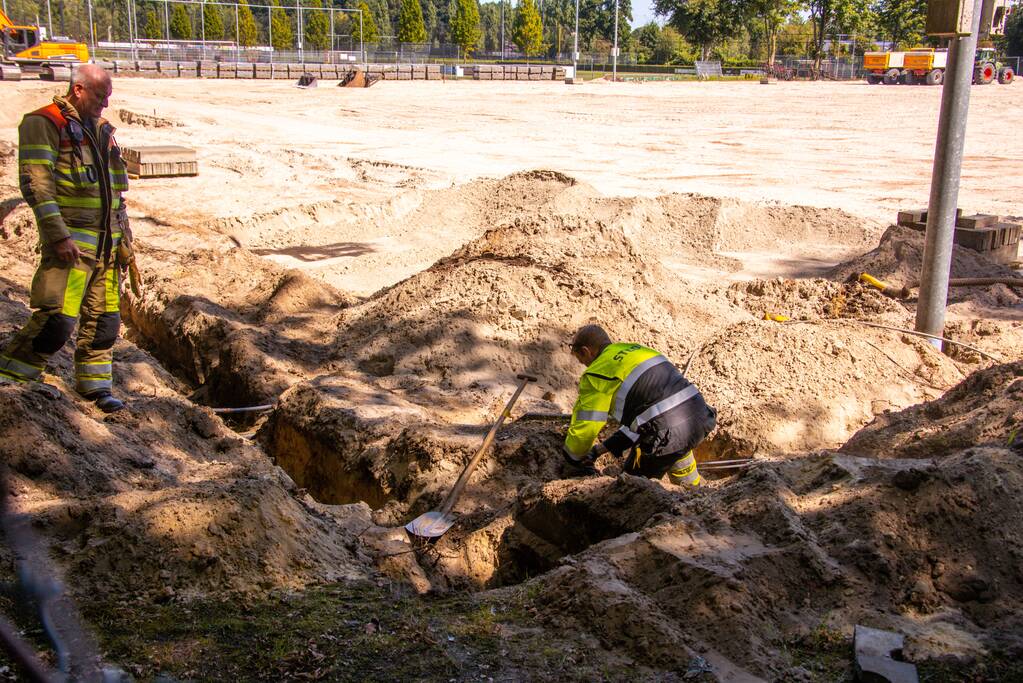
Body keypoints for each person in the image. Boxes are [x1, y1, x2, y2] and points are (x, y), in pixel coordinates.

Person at [0, 64, 134, 413]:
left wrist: (125, 240)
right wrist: (58, 236)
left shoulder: (102, 130)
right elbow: (37, 185)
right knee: (58, 318)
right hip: (73, 245)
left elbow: (116, 193)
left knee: (105, 321)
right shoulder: (43, 124)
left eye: (108, 97)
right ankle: (12, 378)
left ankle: (95, 386)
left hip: (107, 244)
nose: (105, 104)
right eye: (99, 96)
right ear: (78, 89)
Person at [562, 324, 717, 487]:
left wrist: (573, 458)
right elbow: (647, 419)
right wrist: (599, 450)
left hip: (668, 430)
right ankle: (695, 494)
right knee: (677, 448)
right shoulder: (636, 350)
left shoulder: (597, 373)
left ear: (586, 351)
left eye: (582, 361)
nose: (585, 366)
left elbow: (588, 425)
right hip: (699, 414)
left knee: (626, 489)